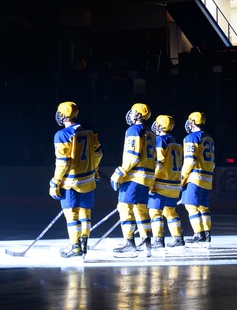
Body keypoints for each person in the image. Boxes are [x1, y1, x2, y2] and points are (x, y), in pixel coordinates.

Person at [48, 101, 103, 258]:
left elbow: (63, 162)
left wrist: (55, 182)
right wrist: (94, 171)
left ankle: (76, 246)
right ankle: (84, 242)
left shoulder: (61, 135)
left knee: (71, 214)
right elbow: (99, 154)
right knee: (85, 213)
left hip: (72, 182)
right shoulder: (89, 129)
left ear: (64, 115)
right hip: (89, 180)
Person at [109, 103, 155, 256]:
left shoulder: (134, 129)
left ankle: (129, 242)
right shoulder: (151, 132)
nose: (131, 114)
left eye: (134, 112)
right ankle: (146, 240)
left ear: (139, 115)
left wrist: (120, 172)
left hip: (134, 176)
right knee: (141, 209)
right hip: (147, 176)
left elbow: (133, 155)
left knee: (124, 207)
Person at [146, 115, 185, 249]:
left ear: (160, 126)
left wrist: (150, 180)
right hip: (173, 184)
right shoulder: (176, 142)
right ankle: (178, 238)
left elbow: (158, 162)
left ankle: (158, 240)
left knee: (155, 212)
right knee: (171, 212)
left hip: (160, 183)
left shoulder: (159, 140)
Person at [180, 111, 216, 245]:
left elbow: (190, 160)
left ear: (193, 122)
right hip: (207, 177)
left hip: (195, 177)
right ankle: (207, 234)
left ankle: (198, 233)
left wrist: (182, 178)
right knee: (203, 207)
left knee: (191, 206)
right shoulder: (209, 138)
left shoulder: (191, 138)